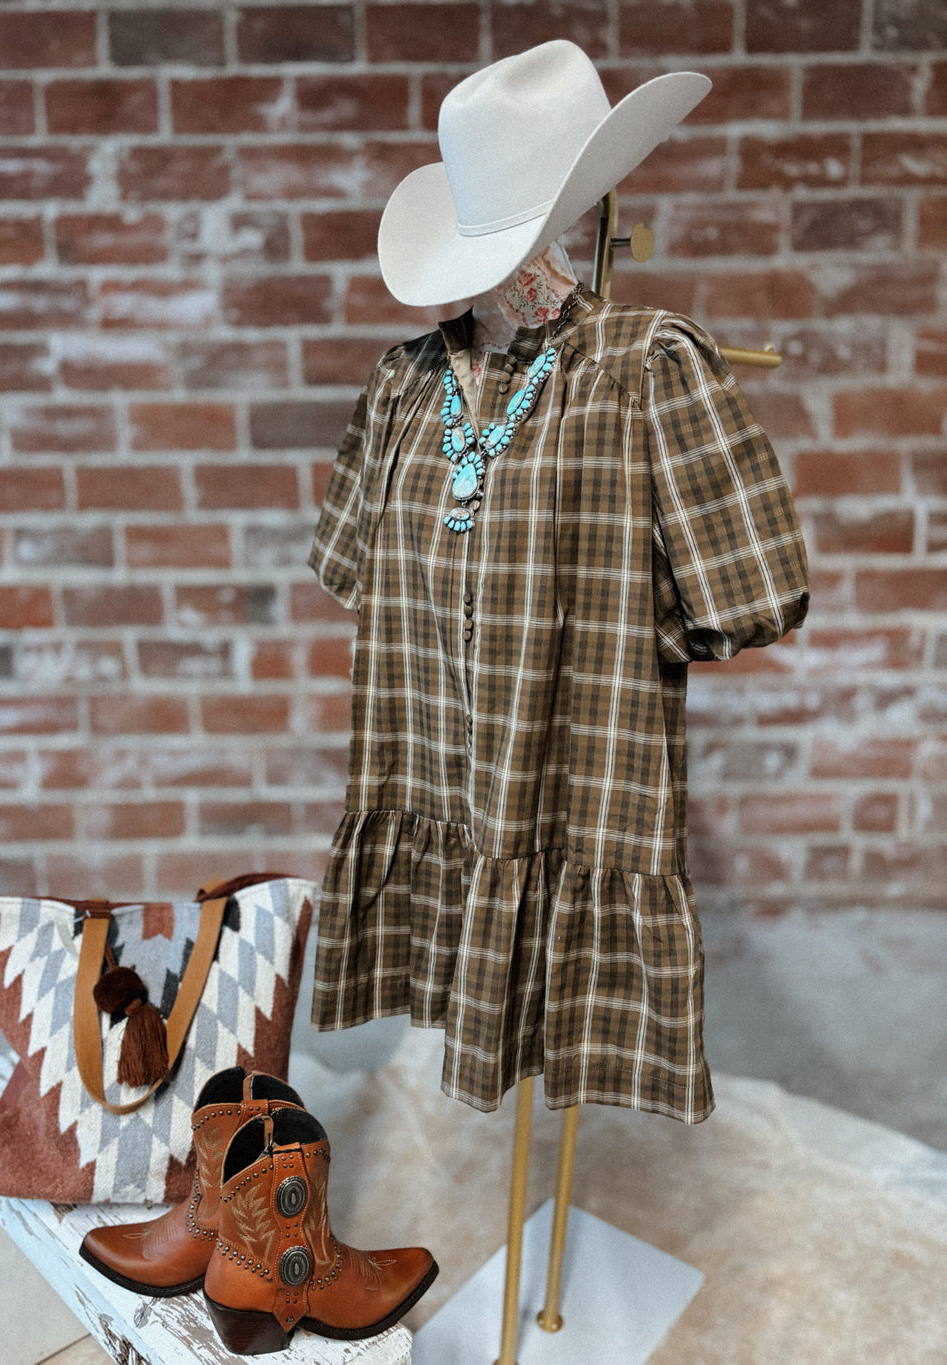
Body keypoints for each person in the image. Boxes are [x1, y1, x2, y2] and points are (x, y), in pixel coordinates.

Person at [309, 40, 809, 1125]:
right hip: (433, 771)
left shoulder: (646, 370)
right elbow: (353, 569)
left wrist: (610, 624)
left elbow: (754, 591)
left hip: (583, 792)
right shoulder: (405, 385)